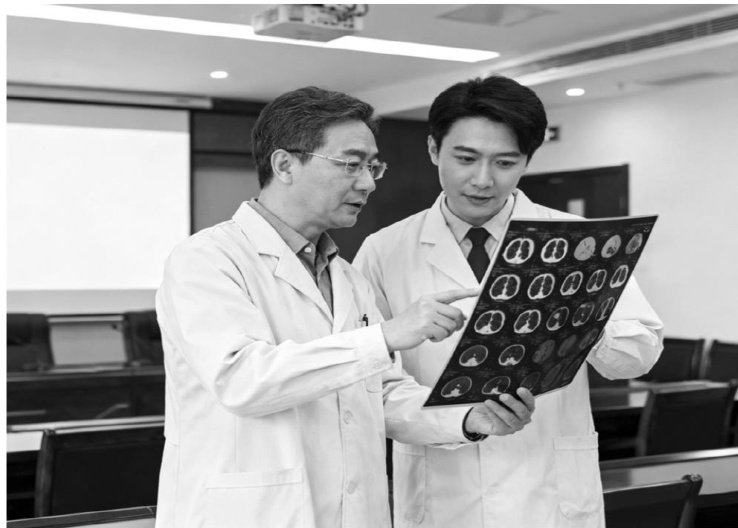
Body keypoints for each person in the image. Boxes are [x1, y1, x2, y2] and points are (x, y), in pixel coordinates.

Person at [153, 86, 536, 528]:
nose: (368, 182)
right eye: (351, 164)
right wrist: (385, 337)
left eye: (373, 166)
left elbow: (382, 394)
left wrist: (468, 418)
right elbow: (241, 380)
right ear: (285, 165)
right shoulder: (206, 259)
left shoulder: (347, 278)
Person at [353, 75, 664, 528]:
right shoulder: (384, 251)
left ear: (527, 160)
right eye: (465, 158)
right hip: (441, 492)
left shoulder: (579, 241)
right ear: (434, 149)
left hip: (549, 492)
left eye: (505, 162)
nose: (483, 180)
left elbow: (639, 356)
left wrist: (581, 318)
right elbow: (368, 388)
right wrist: (464, 419)